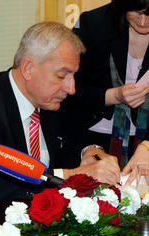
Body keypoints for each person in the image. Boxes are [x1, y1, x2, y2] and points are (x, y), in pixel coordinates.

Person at [0, 21, 121, 216]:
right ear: (28, 68)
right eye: (62, 75)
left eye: (73, 76)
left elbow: (70, 145)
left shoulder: (49, 101)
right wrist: (71, 176)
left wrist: (89, 152)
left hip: (37, 224)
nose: (71, 88)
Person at [60, 0, 149, 170]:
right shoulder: (95, 24)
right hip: (91, 133)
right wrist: (114, 96)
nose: (143, 21)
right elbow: (67, 88)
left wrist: (147, 145)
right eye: (136, 12)